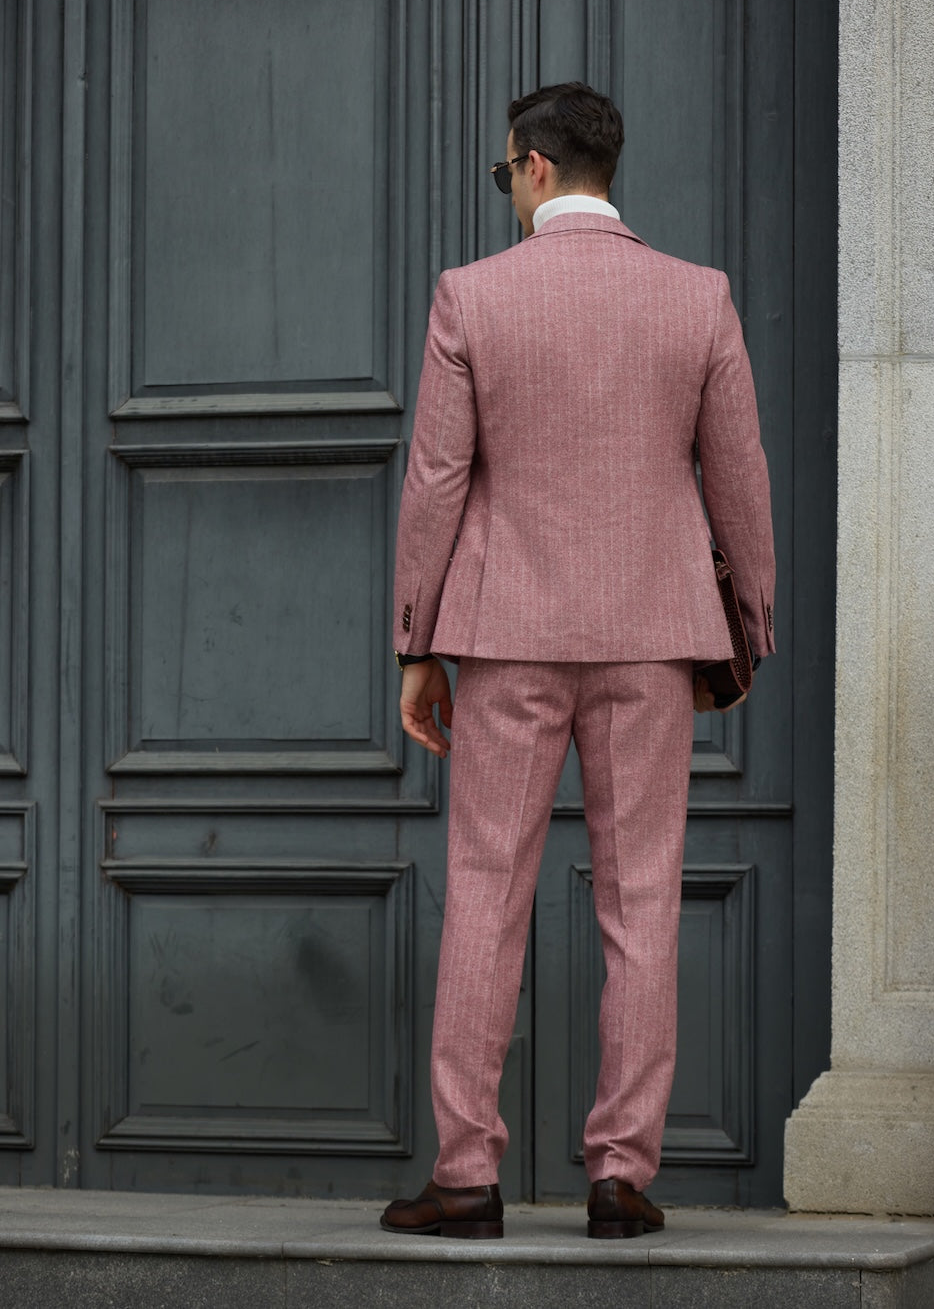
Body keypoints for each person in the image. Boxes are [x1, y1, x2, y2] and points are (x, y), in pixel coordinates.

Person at [381, 82, 775, 1240]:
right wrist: (746, 626)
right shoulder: (696, 298)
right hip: (653, 639)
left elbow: (436, 483)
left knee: (486, 898)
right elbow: (738, 475)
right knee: (642, 901)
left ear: (536, 168)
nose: (505, 190)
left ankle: (465, 1175)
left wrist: (417, 643)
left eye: (505, 174)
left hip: (506, 638)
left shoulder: (472, 298)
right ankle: (620, 1177)